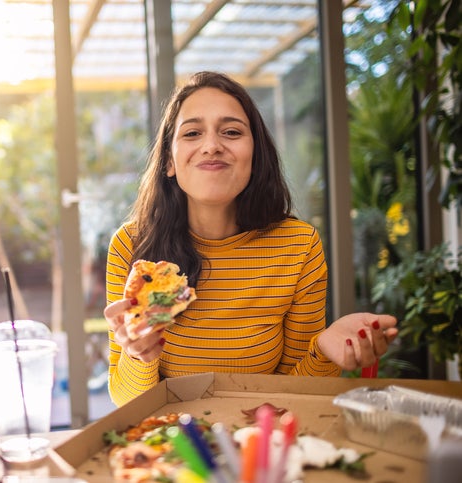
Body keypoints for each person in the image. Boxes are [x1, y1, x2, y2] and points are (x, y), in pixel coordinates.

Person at [103, 71, 399, 406]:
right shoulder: (131, 245)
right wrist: (141, 356)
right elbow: (126, 400)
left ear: (255, 156)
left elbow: (296, 395)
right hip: (171, 444)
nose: (212, 146)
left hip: (264, 438)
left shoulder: (298, 246)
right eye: (192, 133)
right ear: (169, 161)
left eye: (231, 132)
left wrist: (324, 351)